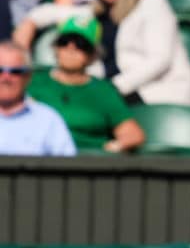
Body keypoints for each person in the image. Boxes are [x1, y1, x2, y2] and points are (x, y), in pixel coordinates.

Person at [15, 0, 190, 106]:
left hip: (157, 91)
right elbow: (58, 12)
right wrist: (29, 22)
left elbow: (159, 60)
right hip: (117, 91)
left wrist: (113, 88)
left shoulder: (152, 2)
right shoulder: (102, 9)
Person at [24, 17, 143, 153]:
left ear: (92, 55)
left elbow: (132, 134)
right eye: (65, 42)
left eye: (81, 45)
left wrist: (115, 147)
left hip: (87, 163)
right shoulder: (32, 82)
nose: (71, 48)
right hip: (40, 159)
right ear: (55, 47)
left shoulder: (103, 91)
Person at [0, 41, 76, 156]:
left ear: (28, 76)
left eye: (15, 72)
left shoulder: (48, 120)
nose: (6, 78)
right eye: (0, 70)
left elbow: (69, 167)